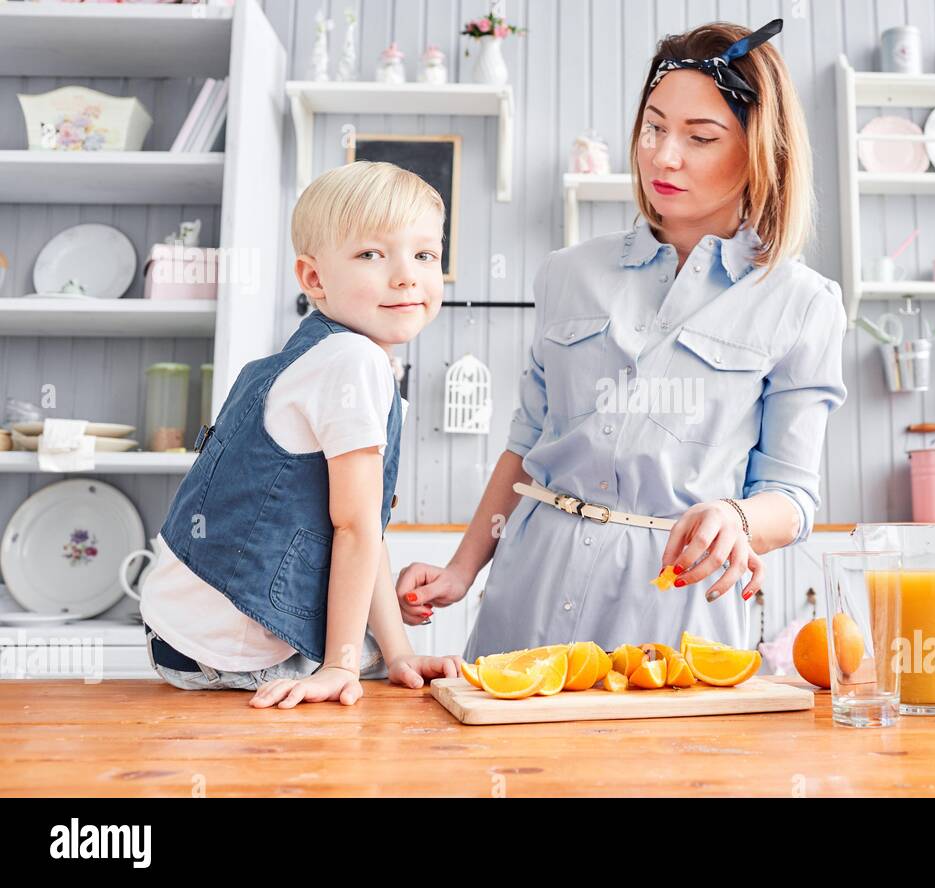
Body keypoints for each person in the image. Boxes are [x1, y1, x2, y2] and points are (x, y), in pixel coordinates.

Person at [397, 19, 847, 661]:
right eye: (655, 127)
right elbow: (526, 447)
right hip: (527, 593)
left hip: (672, 612)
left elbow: (794, 497)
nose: (665, 155)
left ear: (760, 151)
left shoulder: (800, 303)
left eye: (700, 137)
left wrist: (738, 519)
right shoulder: (567, 273)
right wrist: (461, 570)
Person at [141, 161, 461, 707]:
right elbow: (356, 528)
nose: (407, 274)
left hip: (183, 633)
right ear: (314, 278)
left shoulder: (319, 353)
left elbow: (368, 527)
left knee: (375, 663)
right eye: (371, 254)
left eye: (425, 254)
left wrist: (397, 650)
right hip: (224, 647)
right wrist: (342, 664)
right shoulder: (354, 360)